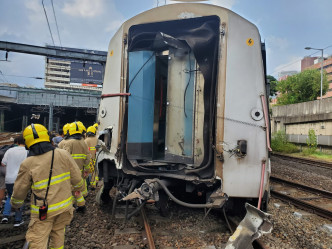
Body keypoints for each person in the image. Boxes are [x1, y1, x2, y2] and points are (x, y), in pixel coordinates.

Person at [10, 123, 84, 248]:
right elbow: (77, 179)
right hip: (65, 207)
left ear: (28, 142)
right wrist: (79, 190)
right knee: (58, 235)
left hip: (43, 212)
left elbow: (19, 191)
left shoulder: (28, 163)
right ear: (48, 138)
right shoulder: (63, 154)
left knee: (37, 240)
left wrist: (15, 204)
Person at [62, 121, 91, 212]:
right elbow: (87, 157)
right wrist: (86, 169)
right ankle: (81, 204)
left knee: (70, 189)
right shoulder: (84, 142)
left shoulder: (68, 143)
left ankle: (71, 208)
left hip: (69, 170)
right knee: (78, 188)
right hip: (81, 169)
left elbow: (64, 158)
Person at [1, 136, 27, 226]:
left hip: (9, 179)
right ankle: (17, 220)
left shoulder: (9, 151)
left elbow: (3, 164)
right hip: (21, 179)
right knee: (20, 198)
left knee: (9, 196)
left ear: (16, 142)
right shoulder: (27, 152)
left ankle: (5, 215)